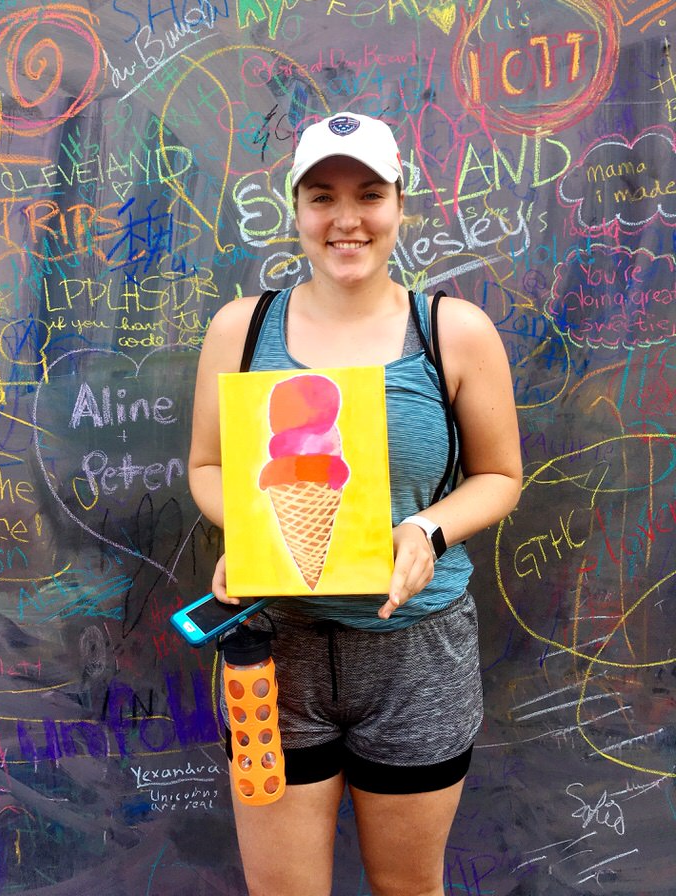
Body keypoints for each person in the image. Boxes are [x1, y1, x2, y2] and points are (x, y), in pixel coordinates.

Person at [188, 112, 522, 896]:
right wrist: (248, 528)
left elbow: (501, 476)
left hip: (416, 654)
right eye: (322, 196)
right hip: (276, 653)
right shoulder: (242, 329)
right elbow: (208, 466)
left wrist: (427, 529)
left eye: (369, 194)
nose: (346, 219)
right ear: (296, 209)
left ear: (400, 205)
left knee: (408, 888)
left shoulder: (453, 333)